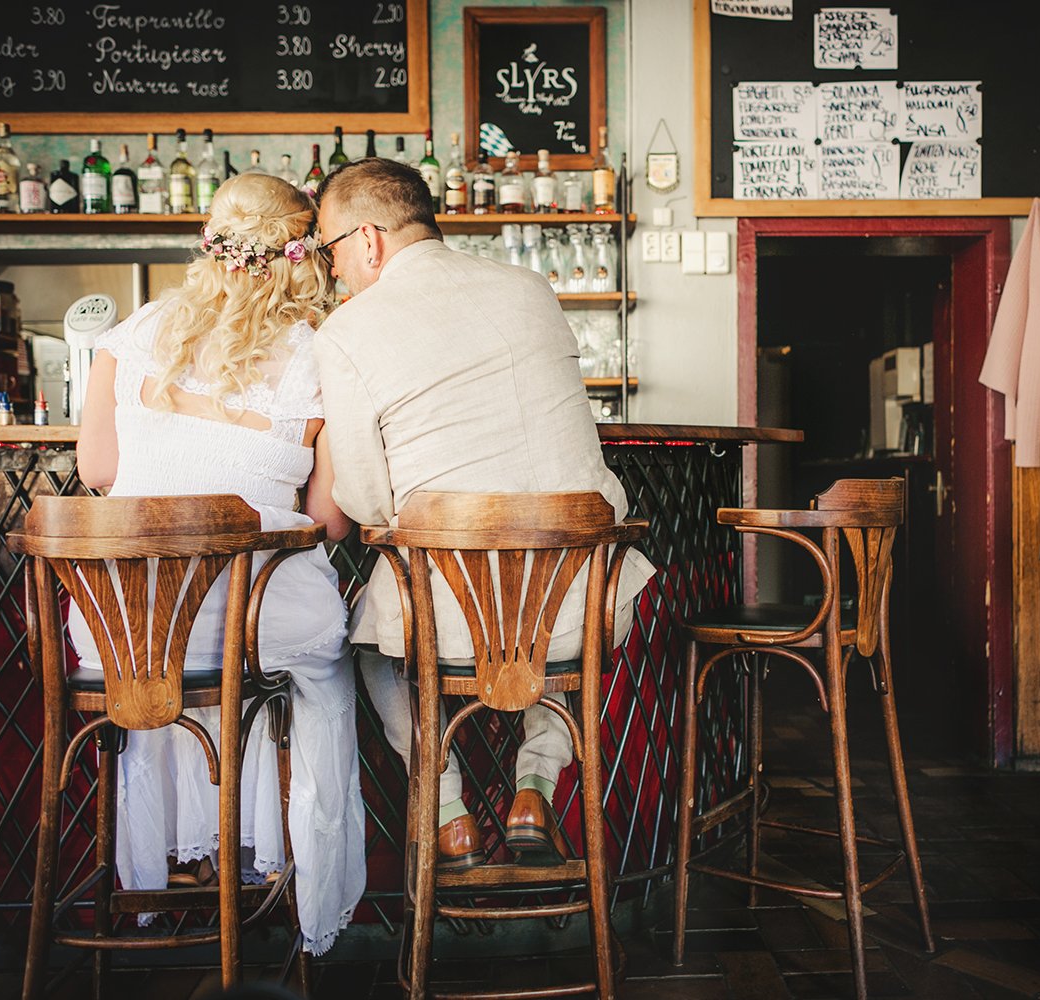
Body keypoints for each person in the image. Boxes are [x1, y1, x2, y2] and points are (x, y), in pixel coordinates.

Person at [312, 158, 655, 868]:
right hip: (582, 601)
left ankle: (448, 813)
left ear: (369, 240)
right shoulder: (530, 288)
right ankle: (535, 786)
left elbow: (368, 502)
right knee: (558, 644)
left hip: (449, 620)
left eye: (331, 248)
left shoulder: (346, 331)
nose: (333, 269)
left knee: (370, 651)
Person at [70, 173, 366, 955]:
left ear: (212, 238)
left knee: (177, 663)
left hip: (123, 624)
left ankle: (174, 873)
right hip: (253, 615)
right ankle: (301, 896)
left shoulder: (135, 333)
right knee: (320, 671)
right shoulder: (316, 354)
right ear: (304, 255)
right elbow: (330, 518)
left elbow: (97, 470)